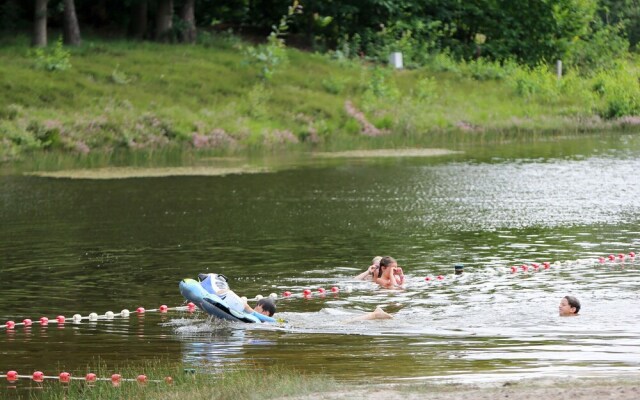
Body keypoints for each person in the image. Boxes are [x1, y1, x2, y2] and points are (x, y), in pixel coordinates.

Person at [199, 273, 277, 323]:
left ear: (266, 313)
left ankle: (213, 284)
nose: (255, 307)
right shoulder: (254, 317)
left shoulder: (263, 323)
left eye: (258, 306)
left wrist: (245, 303)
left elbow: (249, 310)